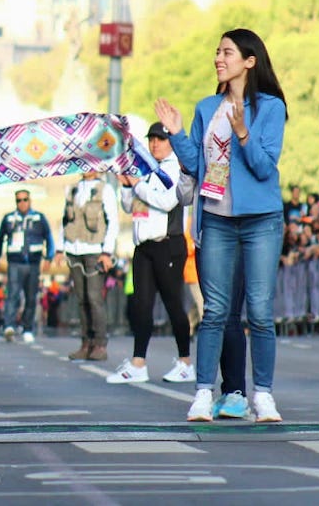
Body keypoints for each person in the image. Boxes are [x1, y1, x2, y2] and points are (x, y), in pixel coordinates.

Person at [155, 28, 287, 423]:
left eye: (227, 52)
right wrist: (178, 133)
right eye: (217, 52)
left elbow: (265, 167)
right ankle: (202, 394)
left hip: (261, 219)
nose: (219, 58)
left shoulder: (271, 107)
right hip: (217, 218)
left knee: (260, 312)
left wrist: (244, 133)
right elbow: (196, 165)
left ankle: (262, 395)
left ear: (249, 60)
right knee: (214, 311)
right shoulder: (206, 106)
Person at [107, 121, 194, 385]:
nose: (155, 144)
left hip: (168, 243)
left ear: (171, 143)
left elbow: (167, 201)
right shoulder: (143, 169)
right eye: (152, 139)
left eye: (161, 139)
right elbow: (129, 205)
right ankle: (138, 363)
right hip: (143, 245)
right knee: (141, 306)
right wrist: (125, 186)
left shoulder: (175, 168)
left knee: (172, 304)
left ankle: (185, 361)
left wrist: (138, 185)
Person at [61, 170, 119, 361]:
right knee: (81, 299)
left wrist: (107, 252)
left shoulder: (105, 189)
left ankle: (100, 344)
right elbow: (65, 221)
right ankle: (86, 343)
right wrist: (61, 248)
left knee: (94, 298)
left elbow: (113, 222)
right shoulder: (73, 189)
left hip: (95, 250)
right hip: (74, 249)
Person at [0, 188, 54, 344]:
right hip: (15, 262)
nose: (22, 203)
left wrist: (49, 257)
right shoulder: (9, 219)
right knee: (12, 294)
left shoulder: (39, 218)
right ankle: (9, 326)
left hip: (33, 263)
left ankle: (27, 328)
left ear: (30, 200)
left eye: (25, 199)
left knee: (31, 297)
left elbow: (49, 238)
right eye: (19, 200)